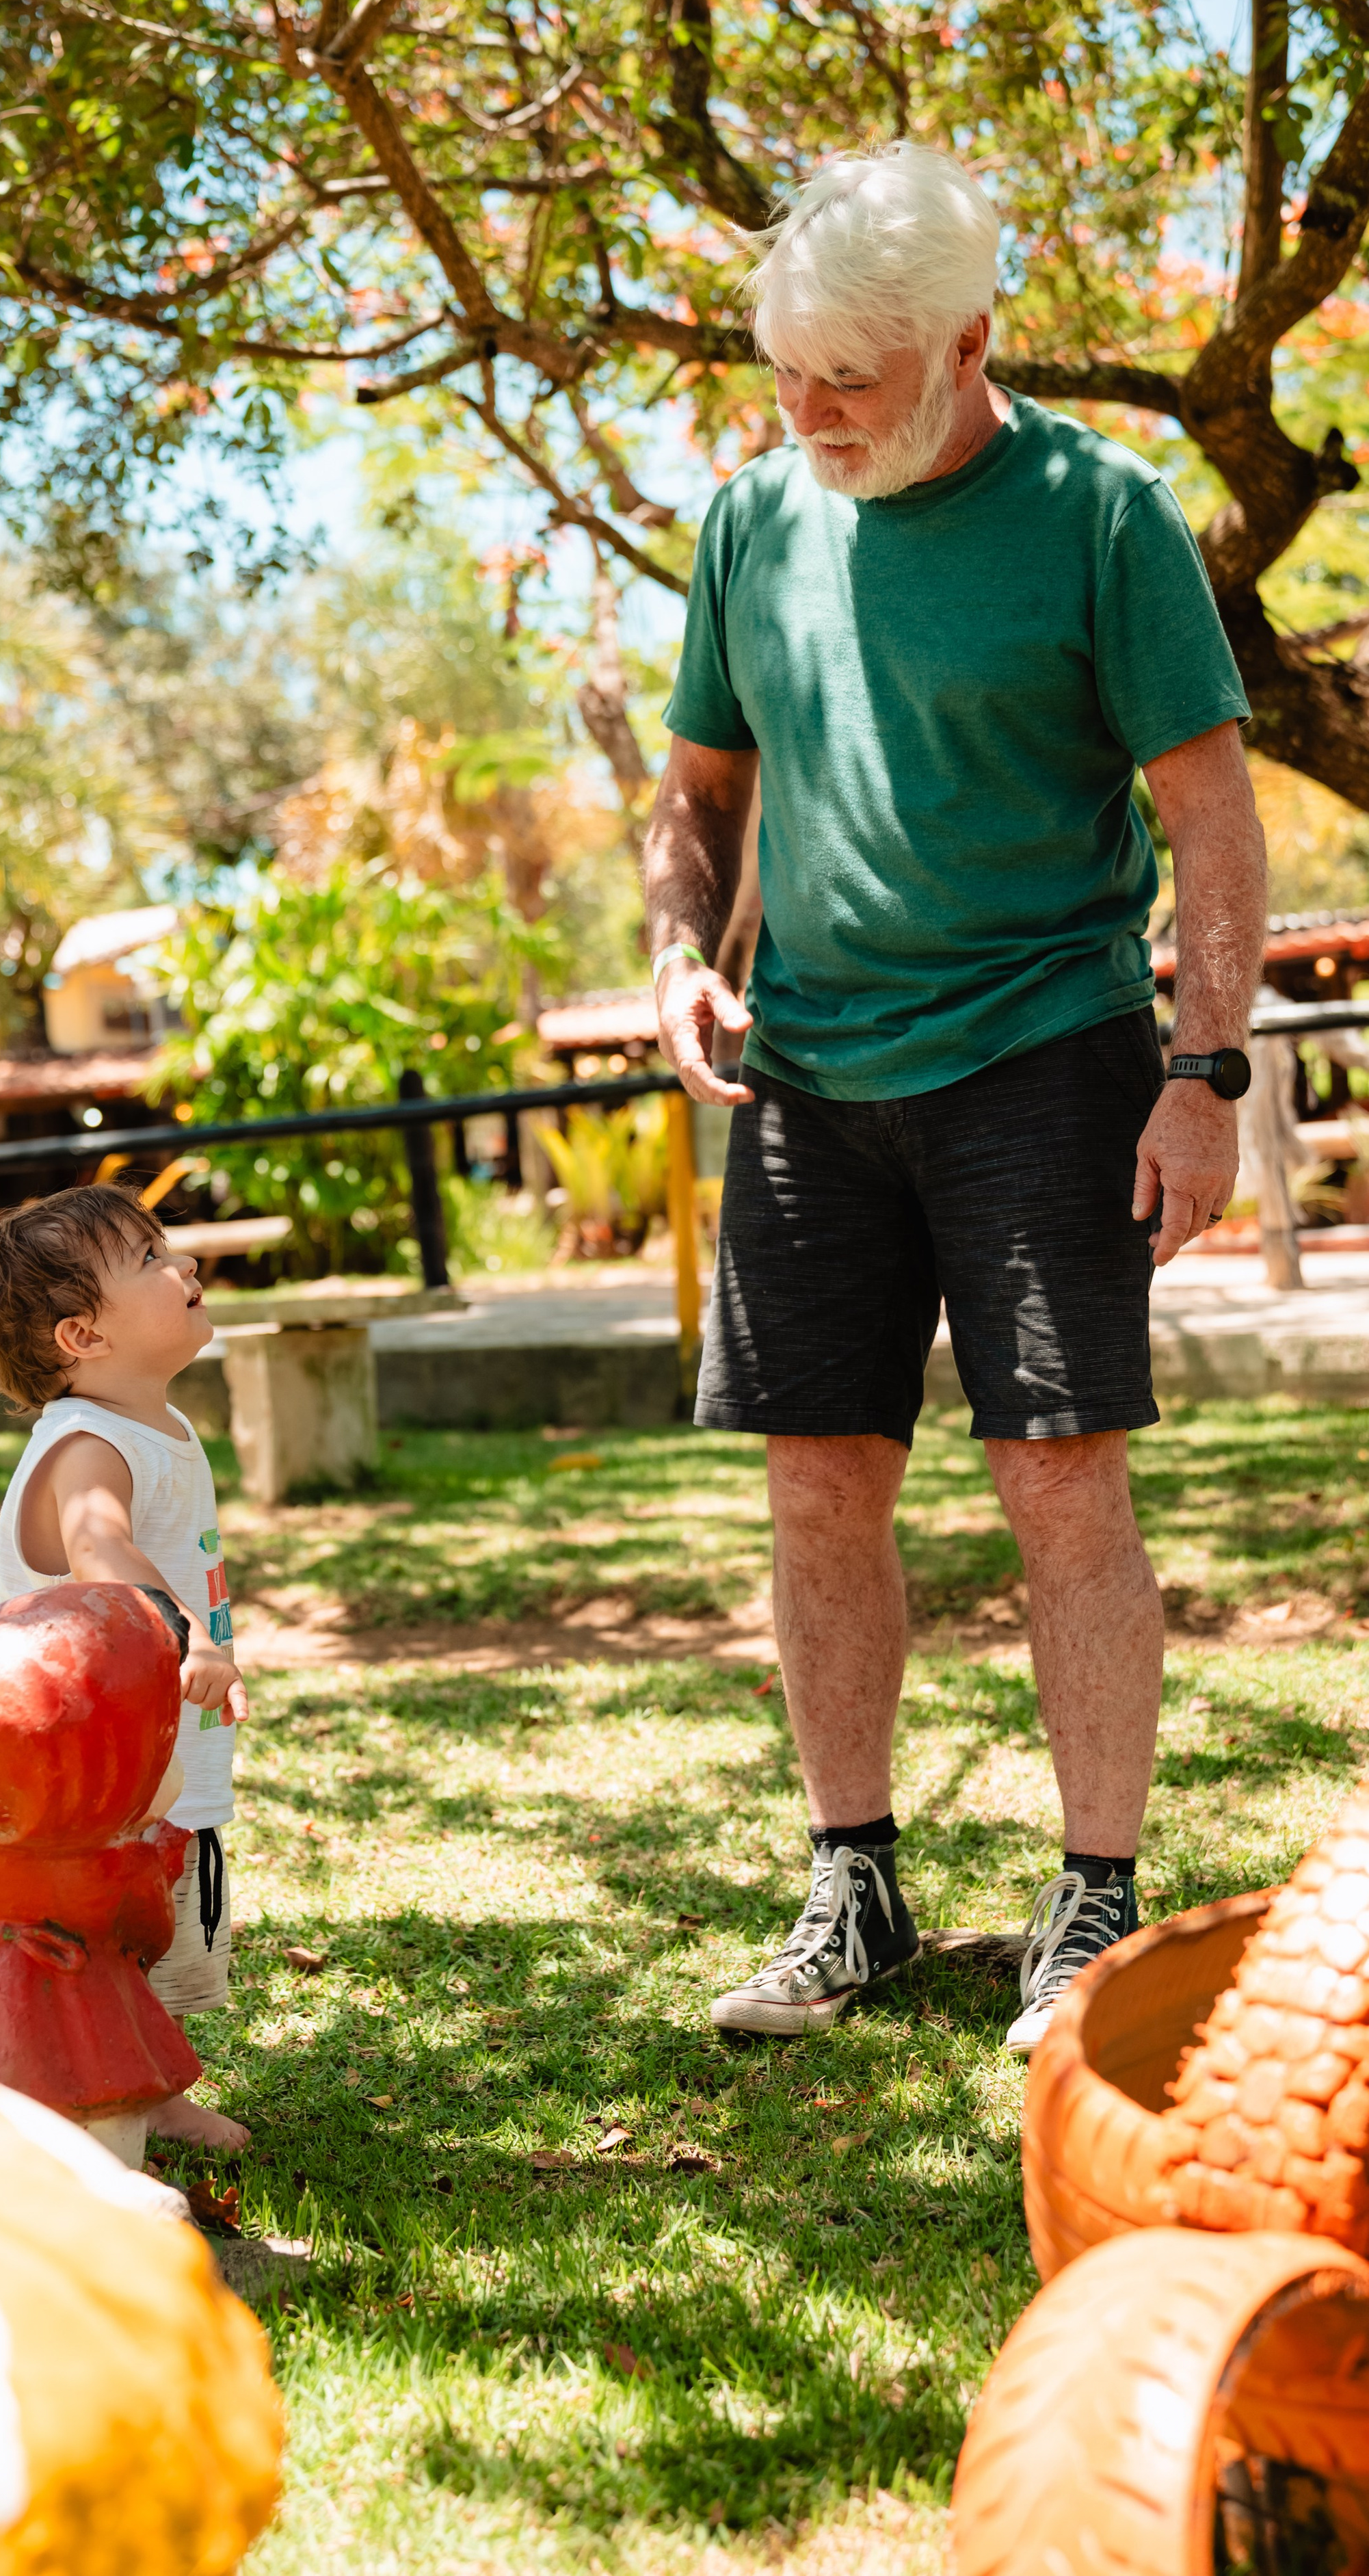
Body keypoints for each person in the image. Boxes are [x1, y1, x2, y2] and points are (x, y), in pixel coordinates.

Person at [646, 142, 1266, 2055]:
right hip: (810, 1075)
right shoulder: (749, 523)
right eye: (787, 374)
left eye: (853, 378)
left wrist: (1202, 1074)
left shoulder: (1099, 512)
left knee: (1058, 1478)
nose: (811, 412)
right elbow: (698, 788)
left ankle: (1094, 1903)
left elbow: (1209, 812)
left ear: (970, 343)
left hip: (1043, 1053)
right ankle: (854, 1884)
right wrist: (675, 950)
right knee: (816, 1483)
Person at [0, 1183, 252, 2148]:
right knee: (108, 1925)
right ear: (84, 1335)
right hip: (87, 1770)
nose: (184, 1263)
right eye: (150, 1258)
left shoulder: (154, 1426)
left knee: (155, 1925)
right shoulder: (89, 1446)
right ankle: (83, 2096)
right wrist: (188, 1631)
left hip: (146, 1748)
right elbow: (99, 1547)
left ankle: (146, 2088)